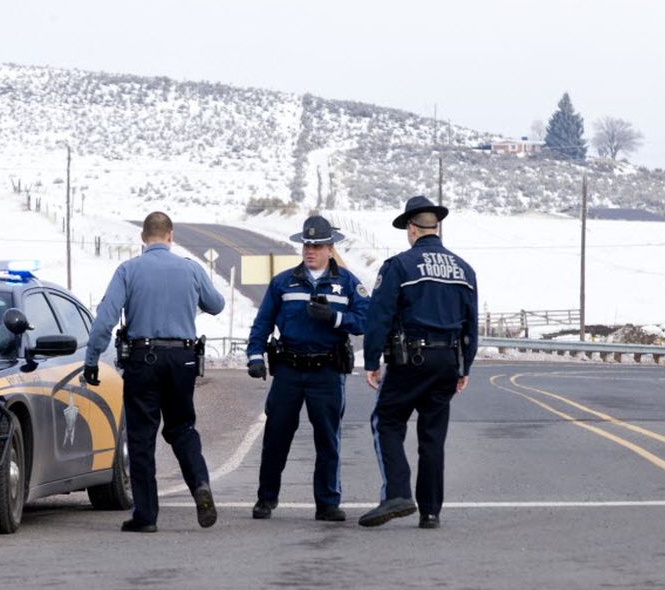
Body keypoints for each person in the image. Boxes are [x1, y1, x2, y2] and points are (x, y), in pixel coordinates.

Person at [83, 211, 226, 533]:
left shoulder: (128, 270)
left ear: (143, 238)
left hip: (142, 358)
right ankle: (200, 484)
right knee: (182, 428)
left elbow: (105, 319)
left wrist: (92, 361)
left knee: (141, 436)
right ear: (170, 236)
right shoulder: (190, 268)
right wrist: (189, 304)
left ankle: (146, 516)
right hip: (183, 359)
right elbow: (217, 304)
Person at [357, 196, 478, 530]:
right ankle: (430, 511)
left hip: (411, 359)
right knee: (432, 435)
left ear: (412, 229)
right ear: (435, 228)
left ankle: (397, 492)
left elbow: (379, 315)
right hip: (448, 362)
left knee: (387, 421)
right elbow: (471, 322)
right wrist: (464, 366)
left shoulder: (400, 266)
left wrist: (370, 360)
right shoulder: (464, 269)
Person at [246, 215, 369, 522]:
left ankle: (327, 502)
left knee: (328, 439)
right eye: (307, 245)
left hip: (326, 370)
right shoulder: (283, 282)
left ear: (331, 248)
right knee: (276, 436)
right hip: (288, 369)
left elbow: (367, 320)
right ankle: (266, 498)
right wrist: (255, 356)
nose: (310, 250)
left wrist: (335, 318)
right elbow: (263, 322)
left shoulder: (348, 284)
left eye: (318, 245)